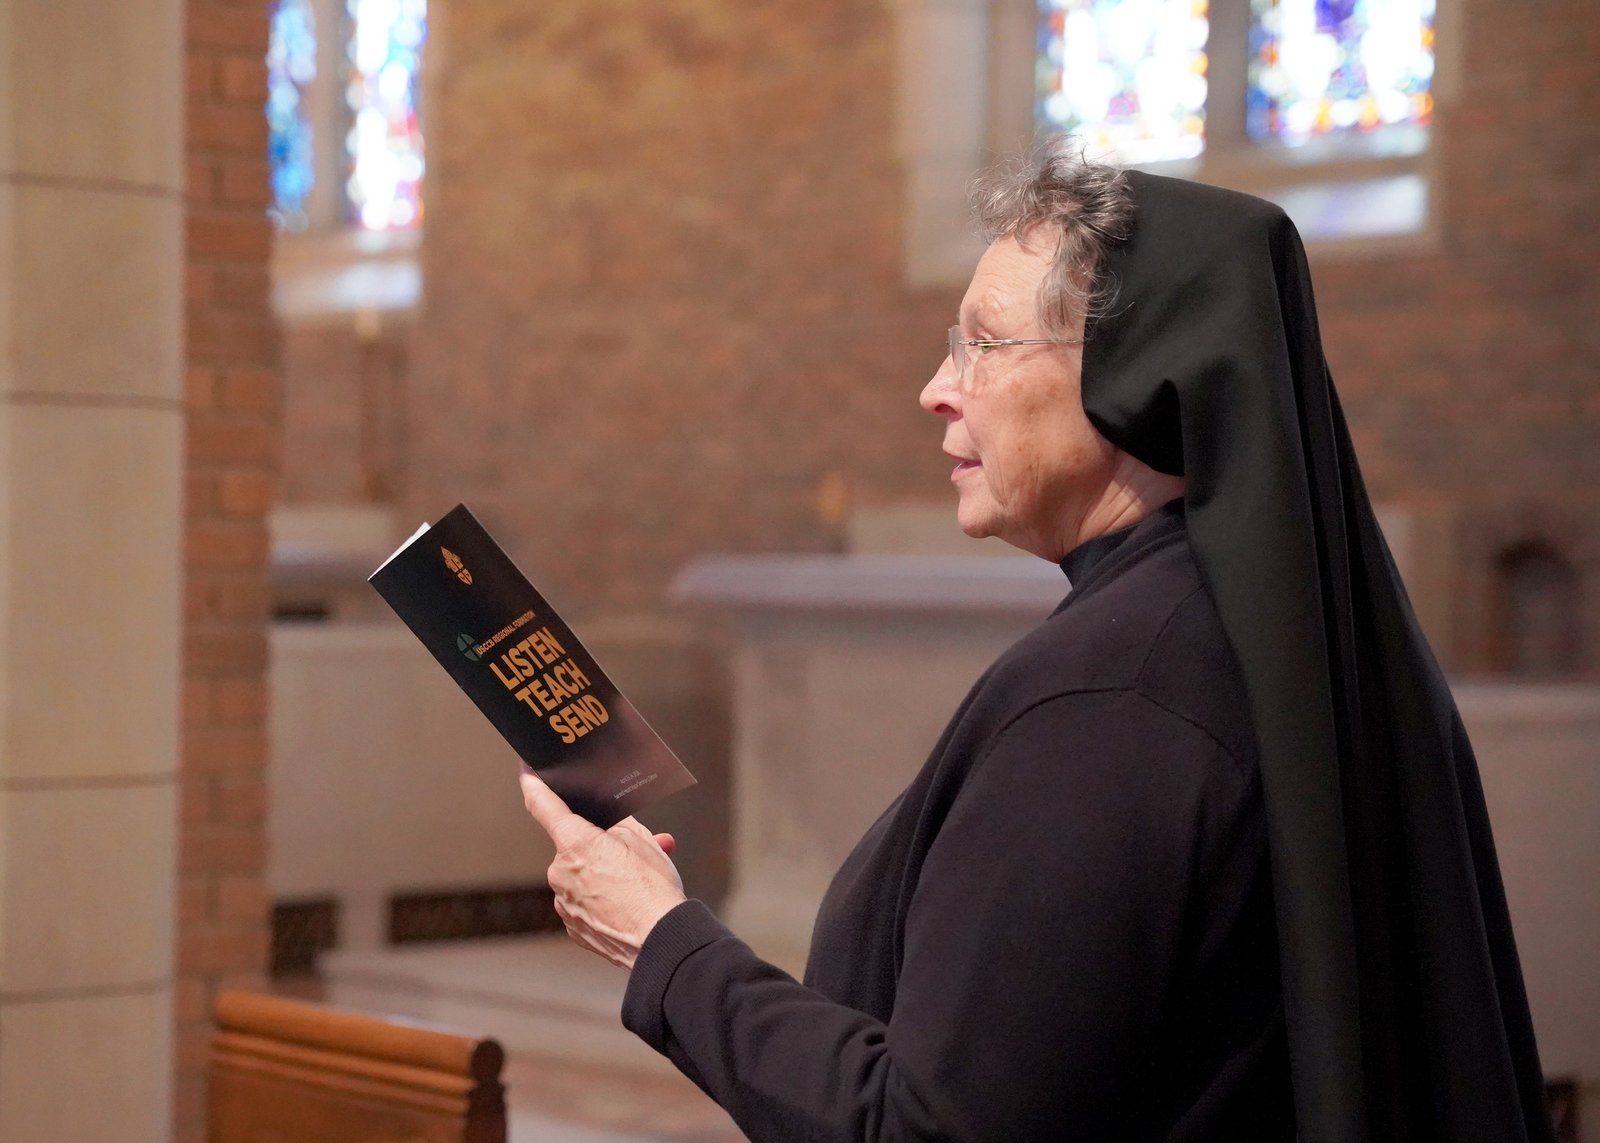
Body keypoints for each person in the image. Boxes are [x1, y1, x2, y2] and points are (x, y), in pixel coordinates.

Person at [518, 137, 1553, 1142]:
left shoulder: (1119, 697)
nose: (936, 386)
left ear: (1133, 372)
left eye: (981, 343)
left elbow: (928, 1129)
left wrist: (664, 944)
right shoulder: (1253, 629)